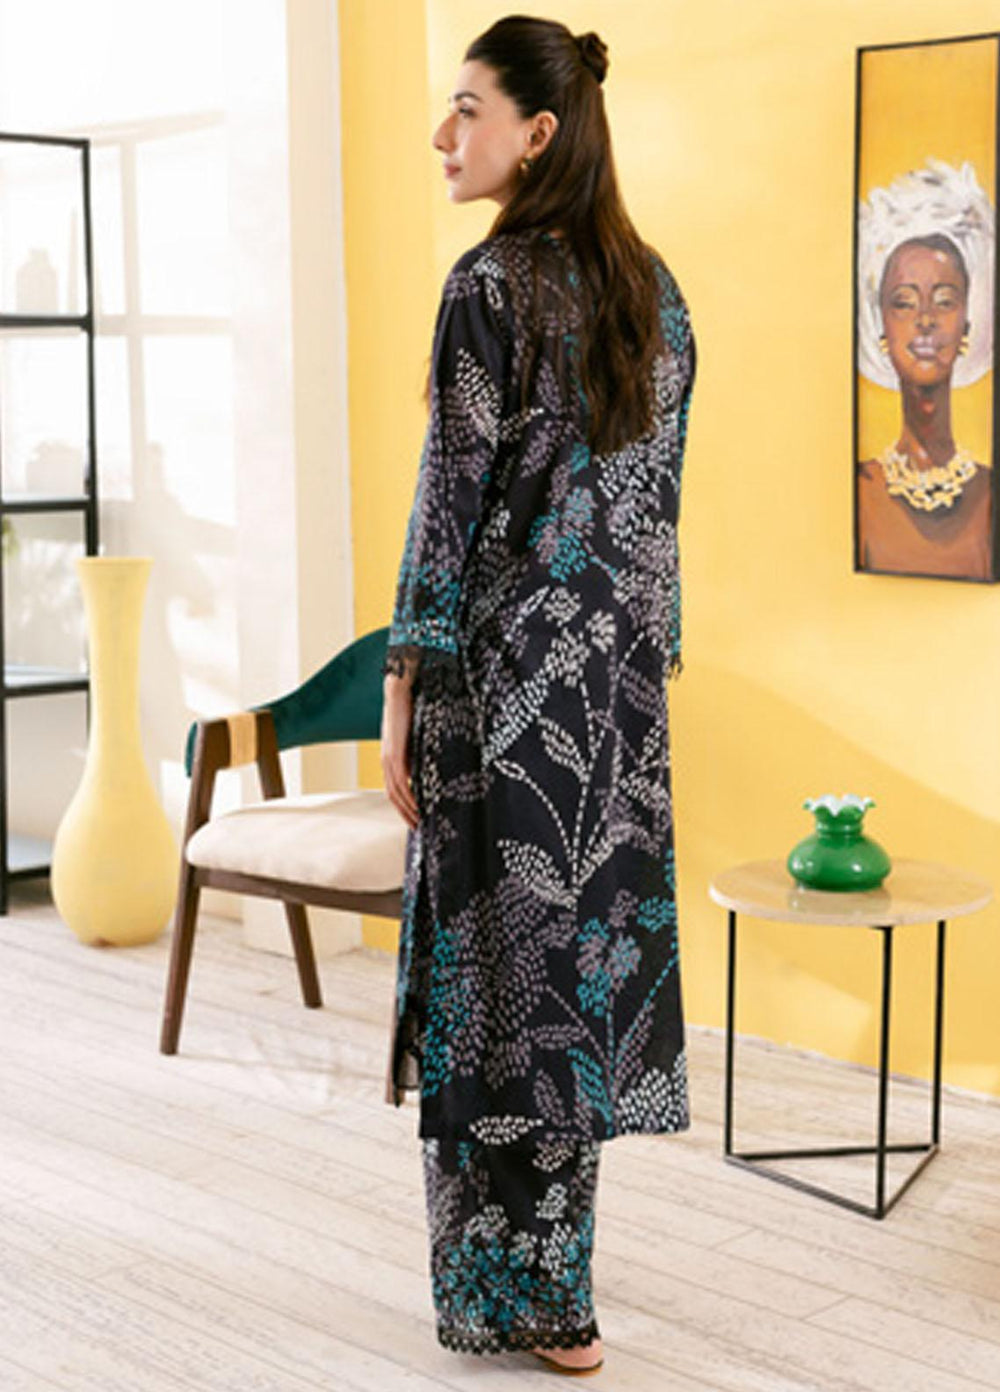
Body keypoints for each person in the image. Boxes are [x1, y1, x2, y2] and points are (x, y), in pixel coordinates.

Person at [379, 15, 695, 1375]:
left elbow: (448, 505)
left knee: (487, 991)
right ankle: (559, 1298)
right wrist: (638, 681)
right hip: (611, 701)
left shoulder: (488, 286)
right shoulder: (655, 292)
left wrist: (401, 691)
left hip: (495, 691)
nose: (442, 135)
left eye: (466, 109)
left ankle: (511, 1300)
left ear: (538, 132)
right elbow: (655, 523)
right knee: (564, 993)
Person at [855, 160, 995, 580]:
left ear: (967, 323)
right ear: (881, 326)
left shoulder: (989, 494)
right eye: (904, 302)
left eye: (945, 300)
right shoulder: (860, 491)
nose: (926, 320)